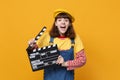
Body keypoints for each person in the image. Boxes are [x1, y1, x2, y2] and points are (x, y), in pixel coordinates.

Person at [28, 9, 86, 80]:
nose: (63, 22)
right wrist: (32, 46)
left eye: (66, 20)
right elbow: (35, 56)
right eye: (59, 20)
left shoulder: (75, 38)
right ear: (55, 23)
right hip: (49, 77)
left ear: (69, 24)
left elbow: (82, 60)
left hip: (67, 77)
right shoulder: (47, 37)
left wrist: (64, 63)